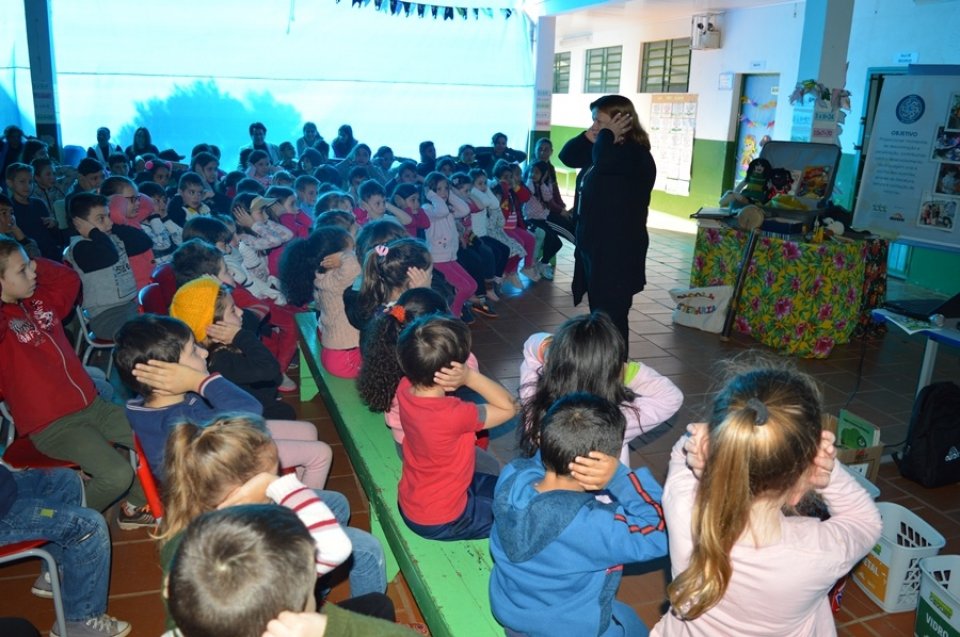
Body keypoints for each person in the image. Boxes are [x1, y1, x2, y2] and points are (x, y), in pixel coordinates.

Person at [650, 362, 882, 636]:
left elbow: (682, 452)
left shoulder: (685, 508)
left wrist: (704, 448)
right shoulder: (819, 551)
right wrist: (828, 469)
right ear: (801, 485)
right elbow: (867, 522)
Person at [156, 414, 388, 623]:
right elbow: (337, 547)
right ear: (243, 490)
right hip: (275, 606)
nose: (279, 476)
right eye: (274, 475)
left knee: (336, 502)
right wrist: (278, 486)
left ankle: (316, 590)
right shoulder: (249, 554)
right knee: (367, 550)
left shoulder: (193, 517)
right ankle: (350, 619)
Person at [0, 237, 152, 525]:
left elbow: (68, 279)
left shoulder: (38, 301)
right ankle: (65, 530)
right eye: (22, 270)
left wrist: (31, 262)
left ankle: (134, 506)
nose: (32, 273)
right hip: (54, 426)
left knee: (159, 436)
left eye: (30, 266)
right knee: (117, 474)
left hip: (92, 405)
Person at [490, 393, 668, 637]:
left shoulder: (511, 477)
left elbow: (533, 463)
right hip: (568, 629)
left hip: (513, 613)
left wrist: (557, 439)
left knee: (626, 616)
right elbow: (662, 529)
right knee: (634, 628)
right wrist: (620, 478)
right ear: (606, 460)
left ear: (543, 440)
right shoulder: (593, 526)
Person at [114, 312, 331, 489]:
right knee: (321, 453)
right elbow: (250, 411)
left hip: (223, 444)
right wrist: (199, 381)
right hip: (222, 477)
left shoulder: (152, 402)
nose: (204, 354)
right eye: (193, 351)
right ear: (164, 374)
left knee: (308, 431)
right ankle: (304, 520)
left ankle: (295, 494)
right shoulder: (180, 420)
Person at [166, 505, 415, 637]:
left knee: (378, 604)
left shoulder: (188, 611)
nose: (315, 593)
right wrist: (325, 628)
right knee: (378, 609)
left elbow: (177, 548)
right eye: (311, 591)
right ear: (288, 617)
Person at [395, 315, 516, 540]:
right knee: (518, 517)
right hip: (444, 518)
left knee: (512, 489)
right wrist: (470, 377)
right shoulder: (453, 414)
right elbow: (510, 406)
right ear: (450, 372)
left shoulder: (404, 388)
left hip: (417, 498)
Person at [519, 312, 682, 466]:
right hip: (605, 495)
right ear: (612, 372)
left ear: (552, 363)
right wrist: (624, 371)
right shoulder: (618, 419)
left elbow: (531, 346)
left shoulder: (535, 401)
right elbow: (671, 397)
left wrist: (552, 350)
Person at [558, 95, 655, 347]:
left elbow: (605, 162)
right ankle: (602, 368)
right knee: (599, 315)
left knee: (612, 319)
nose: (594, 126)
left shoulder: (634, 155)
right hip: (595, 248)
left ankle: (615, 373)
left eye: (599, 121)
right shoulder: (604, 148)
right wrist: (591, 135)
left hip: (618, 252)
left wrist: (605, 136)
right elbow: (567, 156)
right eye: (593, 121)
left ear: (621, 121)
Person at [0, 466, 132, 637]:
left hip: (5, 489)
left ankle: (56, 574)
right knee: (89, 527)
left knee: (66, 481)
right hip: (4, 513)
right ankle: (80, 622)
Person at [167, 277, 301, 422]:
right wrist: (240, 336)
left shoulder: (218, 344)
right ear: (214, 327)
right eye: (232, 310)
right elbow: (270, 369)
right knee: (285, 413)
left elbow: (254, 315)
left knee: (284, 410)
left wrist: (224, 287)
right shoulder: (221, 361)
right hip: (248, 419)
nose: (240, 312)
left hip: (256, 405)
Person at [280, 227, 363, 379]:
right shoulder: (338, 280)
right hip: (346, 358)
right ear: (334, 258)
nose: (354, 253)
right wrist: (344, 256)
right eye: (352, 249)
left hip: (333, 352)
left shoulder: (321, 277)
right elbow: (354, 266)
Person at [64, 192, 149, 339]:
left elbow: (144, 241)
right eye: (101, 218)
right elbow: (109, 256)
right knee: (143, 337)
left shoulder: (110, 238)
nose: (109, 222)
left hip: (130, 307)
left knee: (160, 328)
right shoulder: (80, 249)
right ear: (79, 224)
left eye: (108, 216)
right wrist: (93, 232)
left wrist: (111, 225)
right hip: (106, 317)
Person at [421, 172, 475, 321]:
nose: (443, 192)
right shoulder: (427, 208)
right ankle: (453, 315)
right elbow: (442, 211)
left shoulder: (447, 207)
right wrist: (432, 196)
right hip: (438, 260)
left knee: (472, 286)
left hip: (450, 257)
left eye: (446, 188)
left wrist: (449, 195)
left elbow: (465, 210)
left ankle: (452, 311)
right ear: (430, 191)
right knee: (465, 287)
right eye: (439, 189)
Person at [351, 236, 433, 331]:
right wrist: (425, 295)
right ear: (412, 279)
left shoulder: (378, 304)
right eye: (430, 273)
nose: (431, 278)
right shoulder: (402, 316)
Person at [100, 176, 157, 288]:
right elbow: (145, 242)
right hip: (137, 290)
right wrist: (112, 206)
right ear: (115, 203)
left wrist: (132, 195)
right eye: (132, 199)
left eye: (137, 198)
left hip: (150, 281)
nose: (137, 203)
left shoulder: (131, 218)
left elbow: (149, 204)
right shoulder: (113, 228)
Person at [523, 160, 574, 281]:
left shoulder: (542, 186)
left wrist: (542, 182)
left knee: (558, 243)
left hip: (542, 219)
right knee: (550, 237)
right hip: (533, 220)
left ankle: (543, 264)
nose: (533, 175)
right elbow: (529, 190)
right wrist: (535, 180)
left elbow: (548, 198)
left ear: (544, 175)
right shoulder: (529, 184)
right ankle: (535, 265)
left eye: (536, 173)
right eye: (531, 172)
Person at [491, 161, 539, 286]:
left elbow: (526, 196)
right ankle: (509, 272)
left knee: (531, 239)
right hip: (503, 228)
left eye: (513, 176)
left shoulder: (514, 189)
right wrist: (506, 184)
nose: (514, 179)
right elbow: (502, 195)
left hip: (514, 227)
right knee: (520, 244)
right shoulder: (499, 189)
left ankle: (527, 267)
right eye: (509, 177)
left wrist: (515, 185)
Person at [5, 163, 61, 260]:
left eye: (30, 182)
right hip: (30, 257)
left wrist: (54, 225)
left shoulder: (39, 203)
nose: (27, 186)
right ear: (10, 183)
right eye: (22, 182)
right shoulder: (9, 209)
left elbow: (54, 236)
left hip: (52, 254)